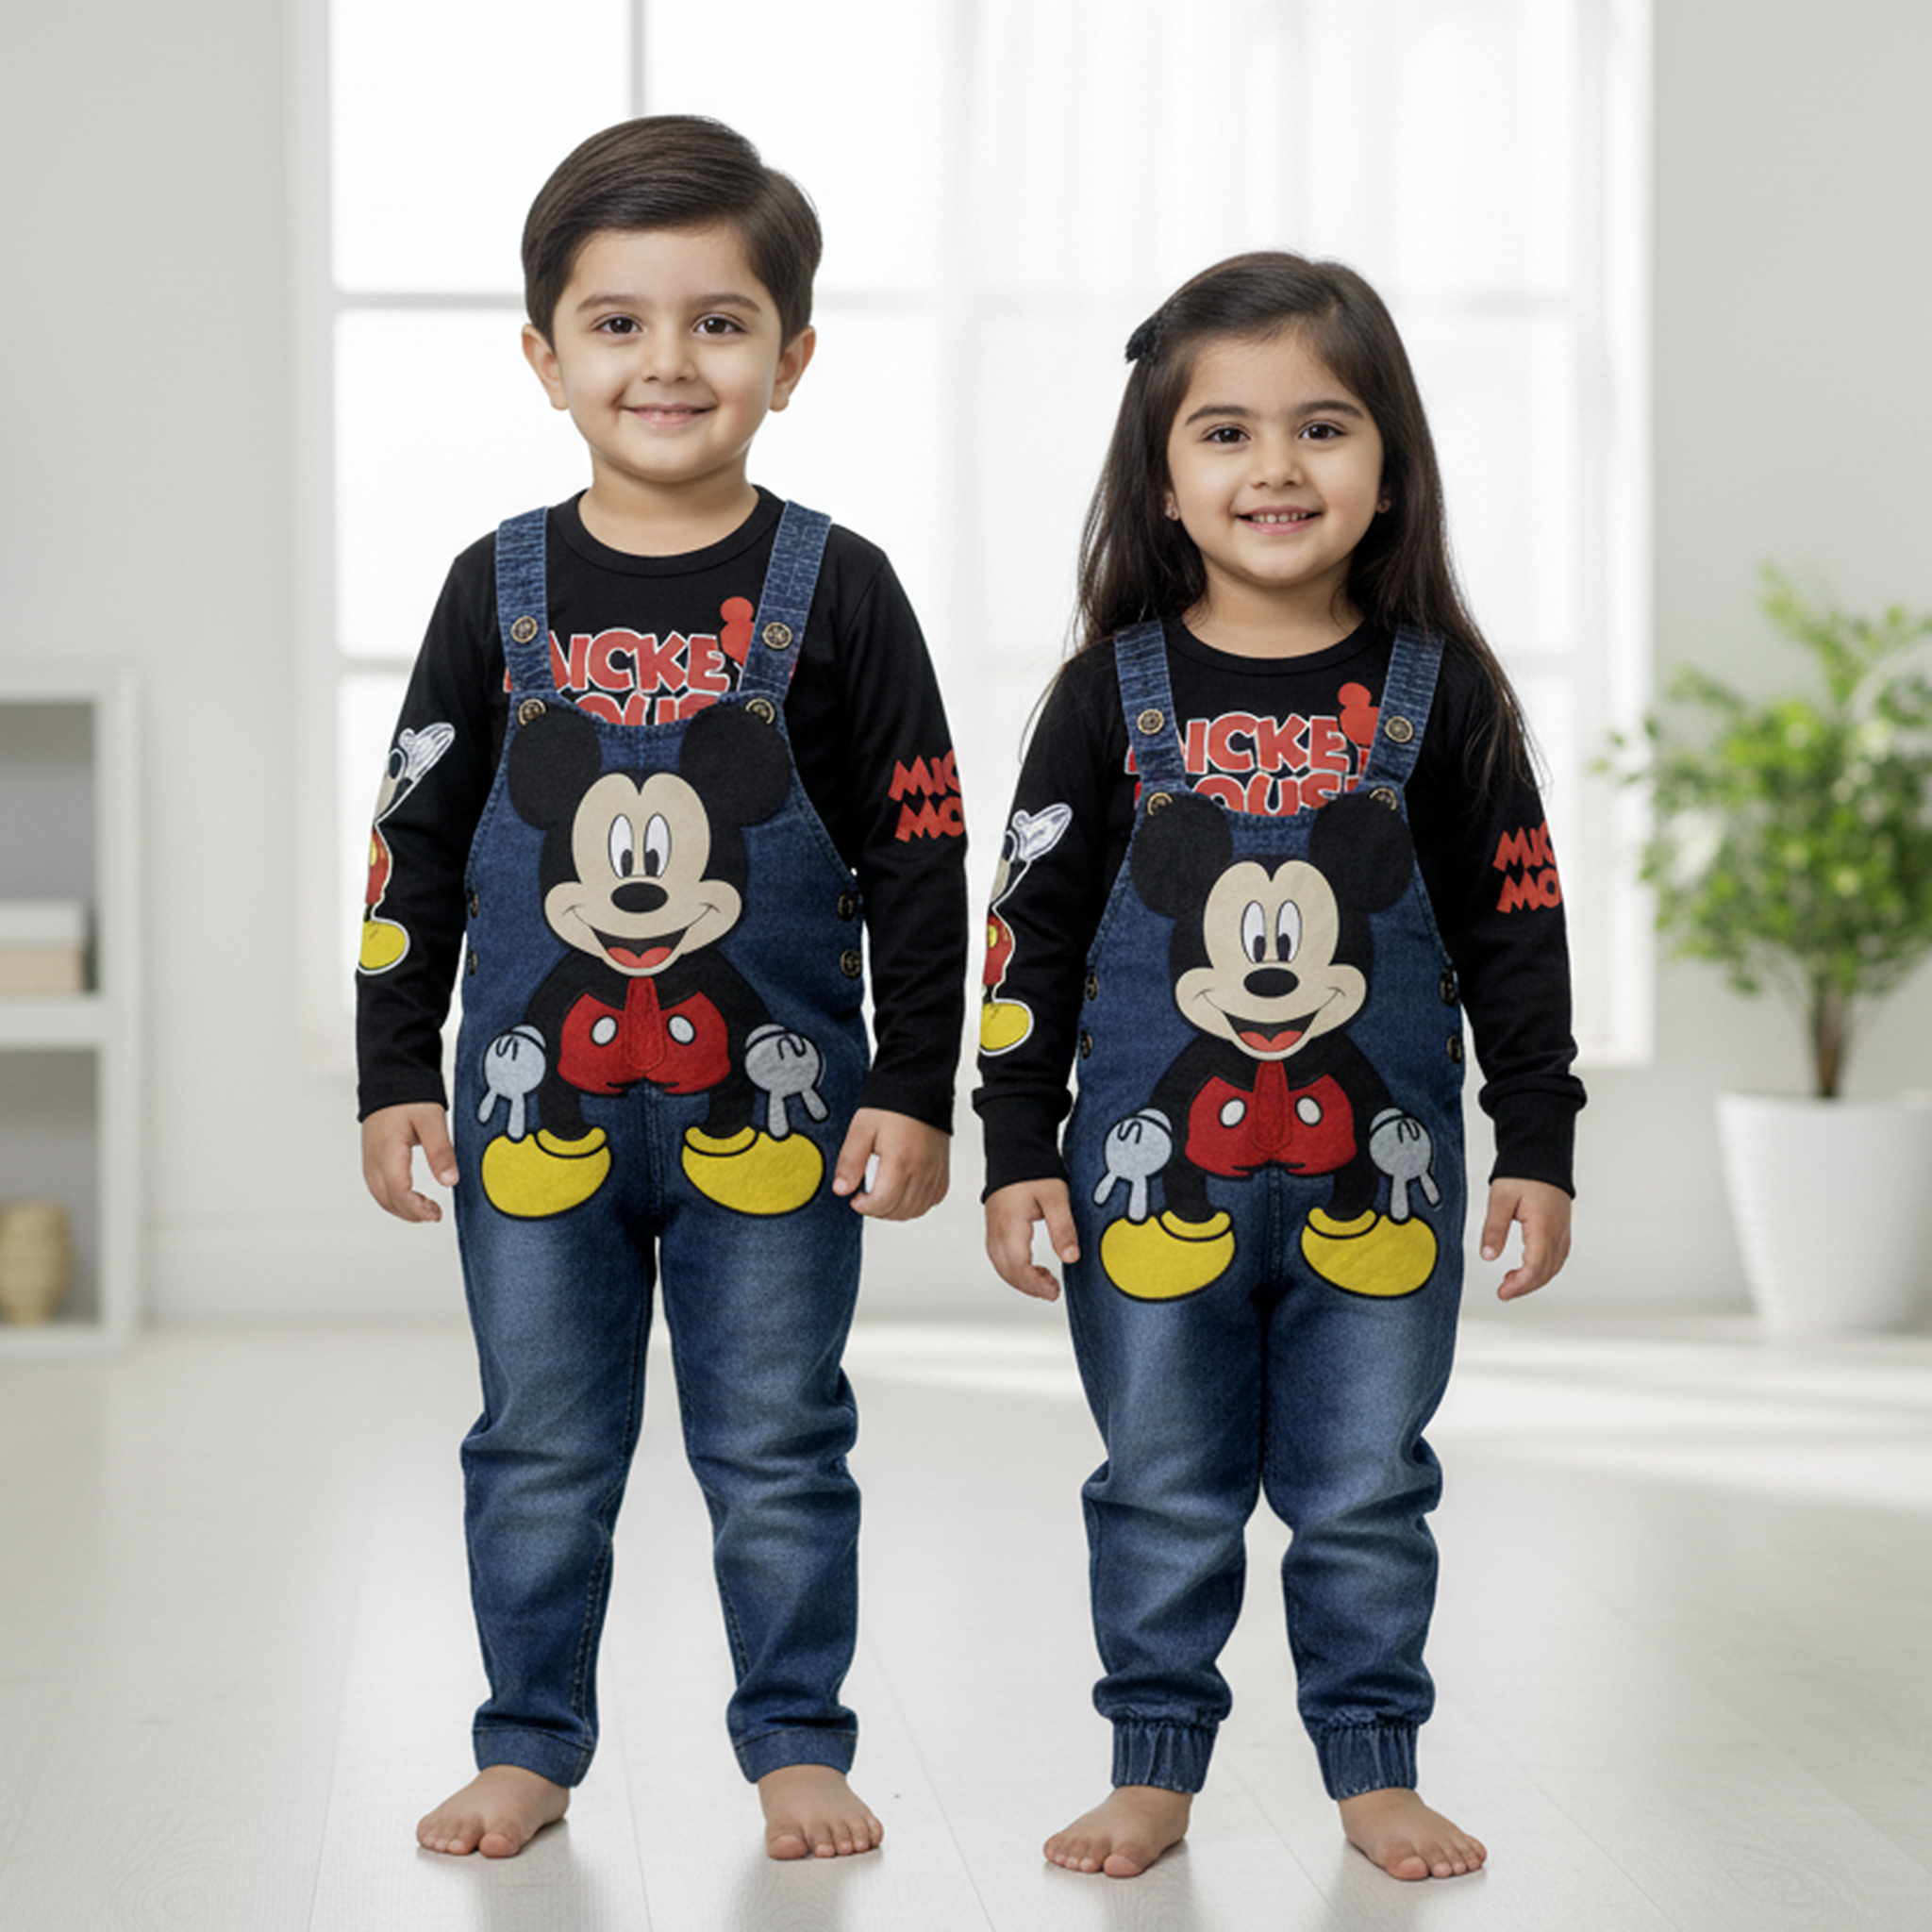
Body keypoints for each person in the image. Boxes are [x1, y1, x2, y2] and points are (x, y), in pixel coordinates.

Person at [357, 115, 967, 1864]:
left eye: (719, 320)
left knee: (778, 1443)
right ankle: (531, 1742)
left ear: (792, 354)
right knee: (540, 1446)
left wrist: (913, 1090)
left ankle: (794, 1737)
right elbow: (413, 841)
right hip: (526, 1113)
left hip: (770, 1117)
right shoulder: (497, 587)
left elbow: (922, 859)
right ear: (546, 358)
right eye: (617, 322)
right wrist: (396, 1067)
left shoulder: (838, 590)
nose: (669, 360)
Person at [977, 251, 1582, 1883]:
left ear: (1389, 465)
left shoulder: (1443, 699)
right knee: (1162, 1484)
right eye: (1227, 434)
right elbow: (1026, 930)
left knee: (1369, 1485)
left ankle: (1374, 1766)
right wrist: (1016, 1142)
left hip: (1375, 1193)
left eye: (1323, 428)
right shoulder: (1107, 697)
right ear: (1163, 480)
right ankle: (1153, 1766)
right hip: (1144, 1182)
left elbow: (1519, 929)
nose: (1277, 469)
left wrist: (1540, 1136)